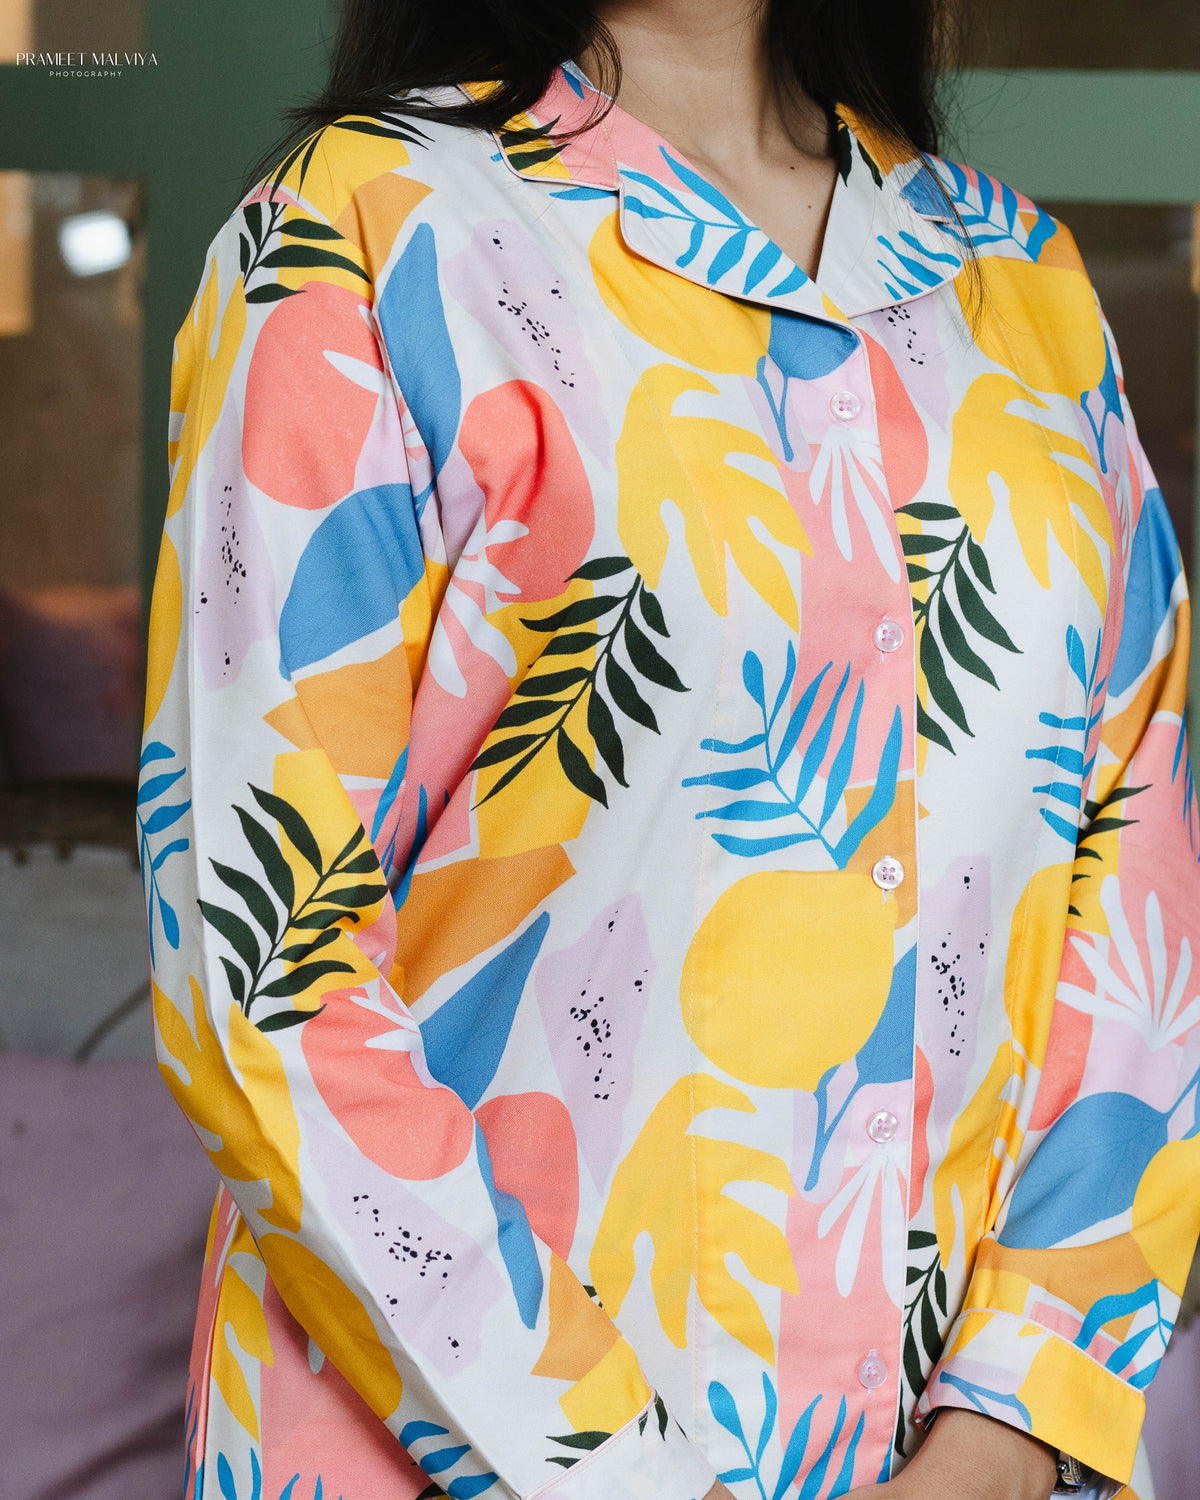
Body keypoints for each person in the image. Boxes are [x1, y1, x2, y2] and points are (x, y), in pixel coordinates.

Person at [140, 2, 1200, 1497]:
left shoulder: (1019, 278)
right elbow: (259, 968)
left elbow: (1144, 878)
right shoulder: (358, 234)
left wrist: (1011, 1429)